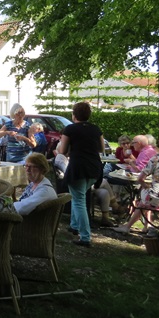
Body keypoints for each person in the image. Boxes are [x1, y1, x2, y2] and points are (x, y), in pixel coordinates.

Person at [57, 102, 104, 247]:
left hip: (78, 168)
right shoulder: (96, 129)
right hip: (95, 168)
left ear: (74, 115)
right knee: (79, 196)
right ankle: (74, 225)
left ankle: (85, 237)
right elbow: (101, 148)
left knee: (78, 201)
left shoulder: (70, 129)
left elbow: (62, 151)